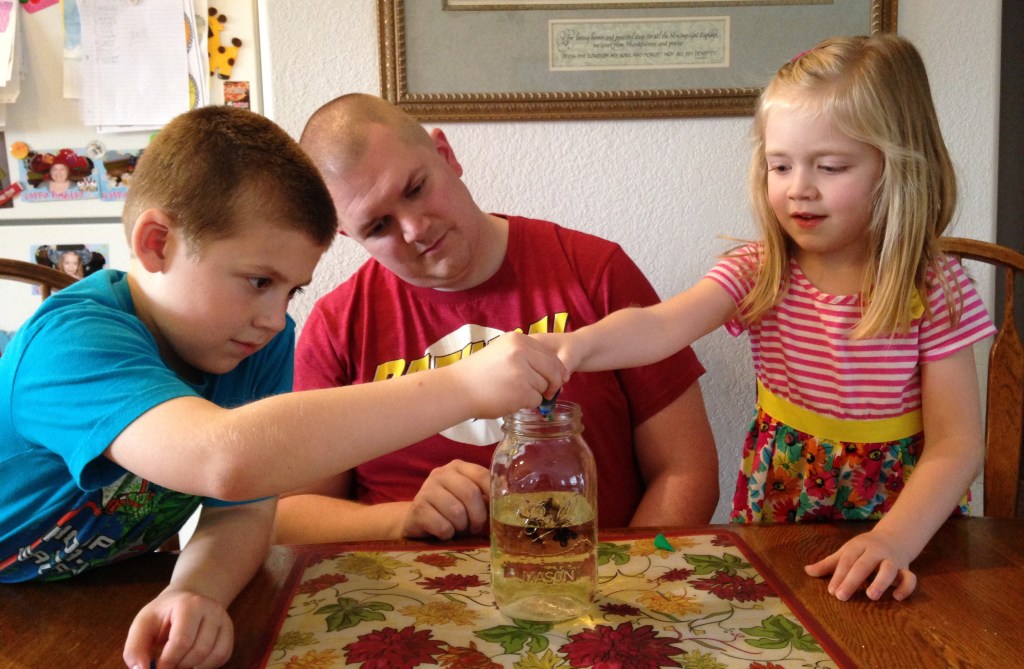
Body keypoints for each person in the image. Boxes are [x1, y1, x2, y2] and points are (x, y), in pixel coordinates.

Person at [0, 106, 564, 669]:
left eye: (291, 290)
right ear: (156, 244)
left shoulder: (253, 341)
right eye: (259, 282)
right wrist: (462, 386)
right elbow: (224, 458)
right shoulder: (71, 345)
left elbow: (241, 509)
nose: (275, 318)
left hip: (98, 592)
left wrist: (196, 590)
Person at [536, 34, 997, 603]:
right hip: (780, 502)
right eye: (781, 165)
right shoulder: (762, 270)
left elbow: (956, 446)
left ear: (899, 166)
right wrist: (574, 347)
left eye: (830, 166)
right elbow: (661, 327)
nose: (799, 188)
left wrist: (894, 540)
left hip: (910, 521)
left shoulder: (932, 288)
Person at [275, 93, 718, 546]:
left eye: (414, 189)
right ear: (348, 234)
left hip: (592, 589)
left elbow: (686, 469)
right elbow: (292, 514)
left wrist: (625, 582)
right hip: (409, 595)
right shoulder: (337, 324)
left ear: (445, 155)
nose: (414, 228)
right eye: (378, 227)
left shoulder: (594, 271)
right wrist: (403, 518)